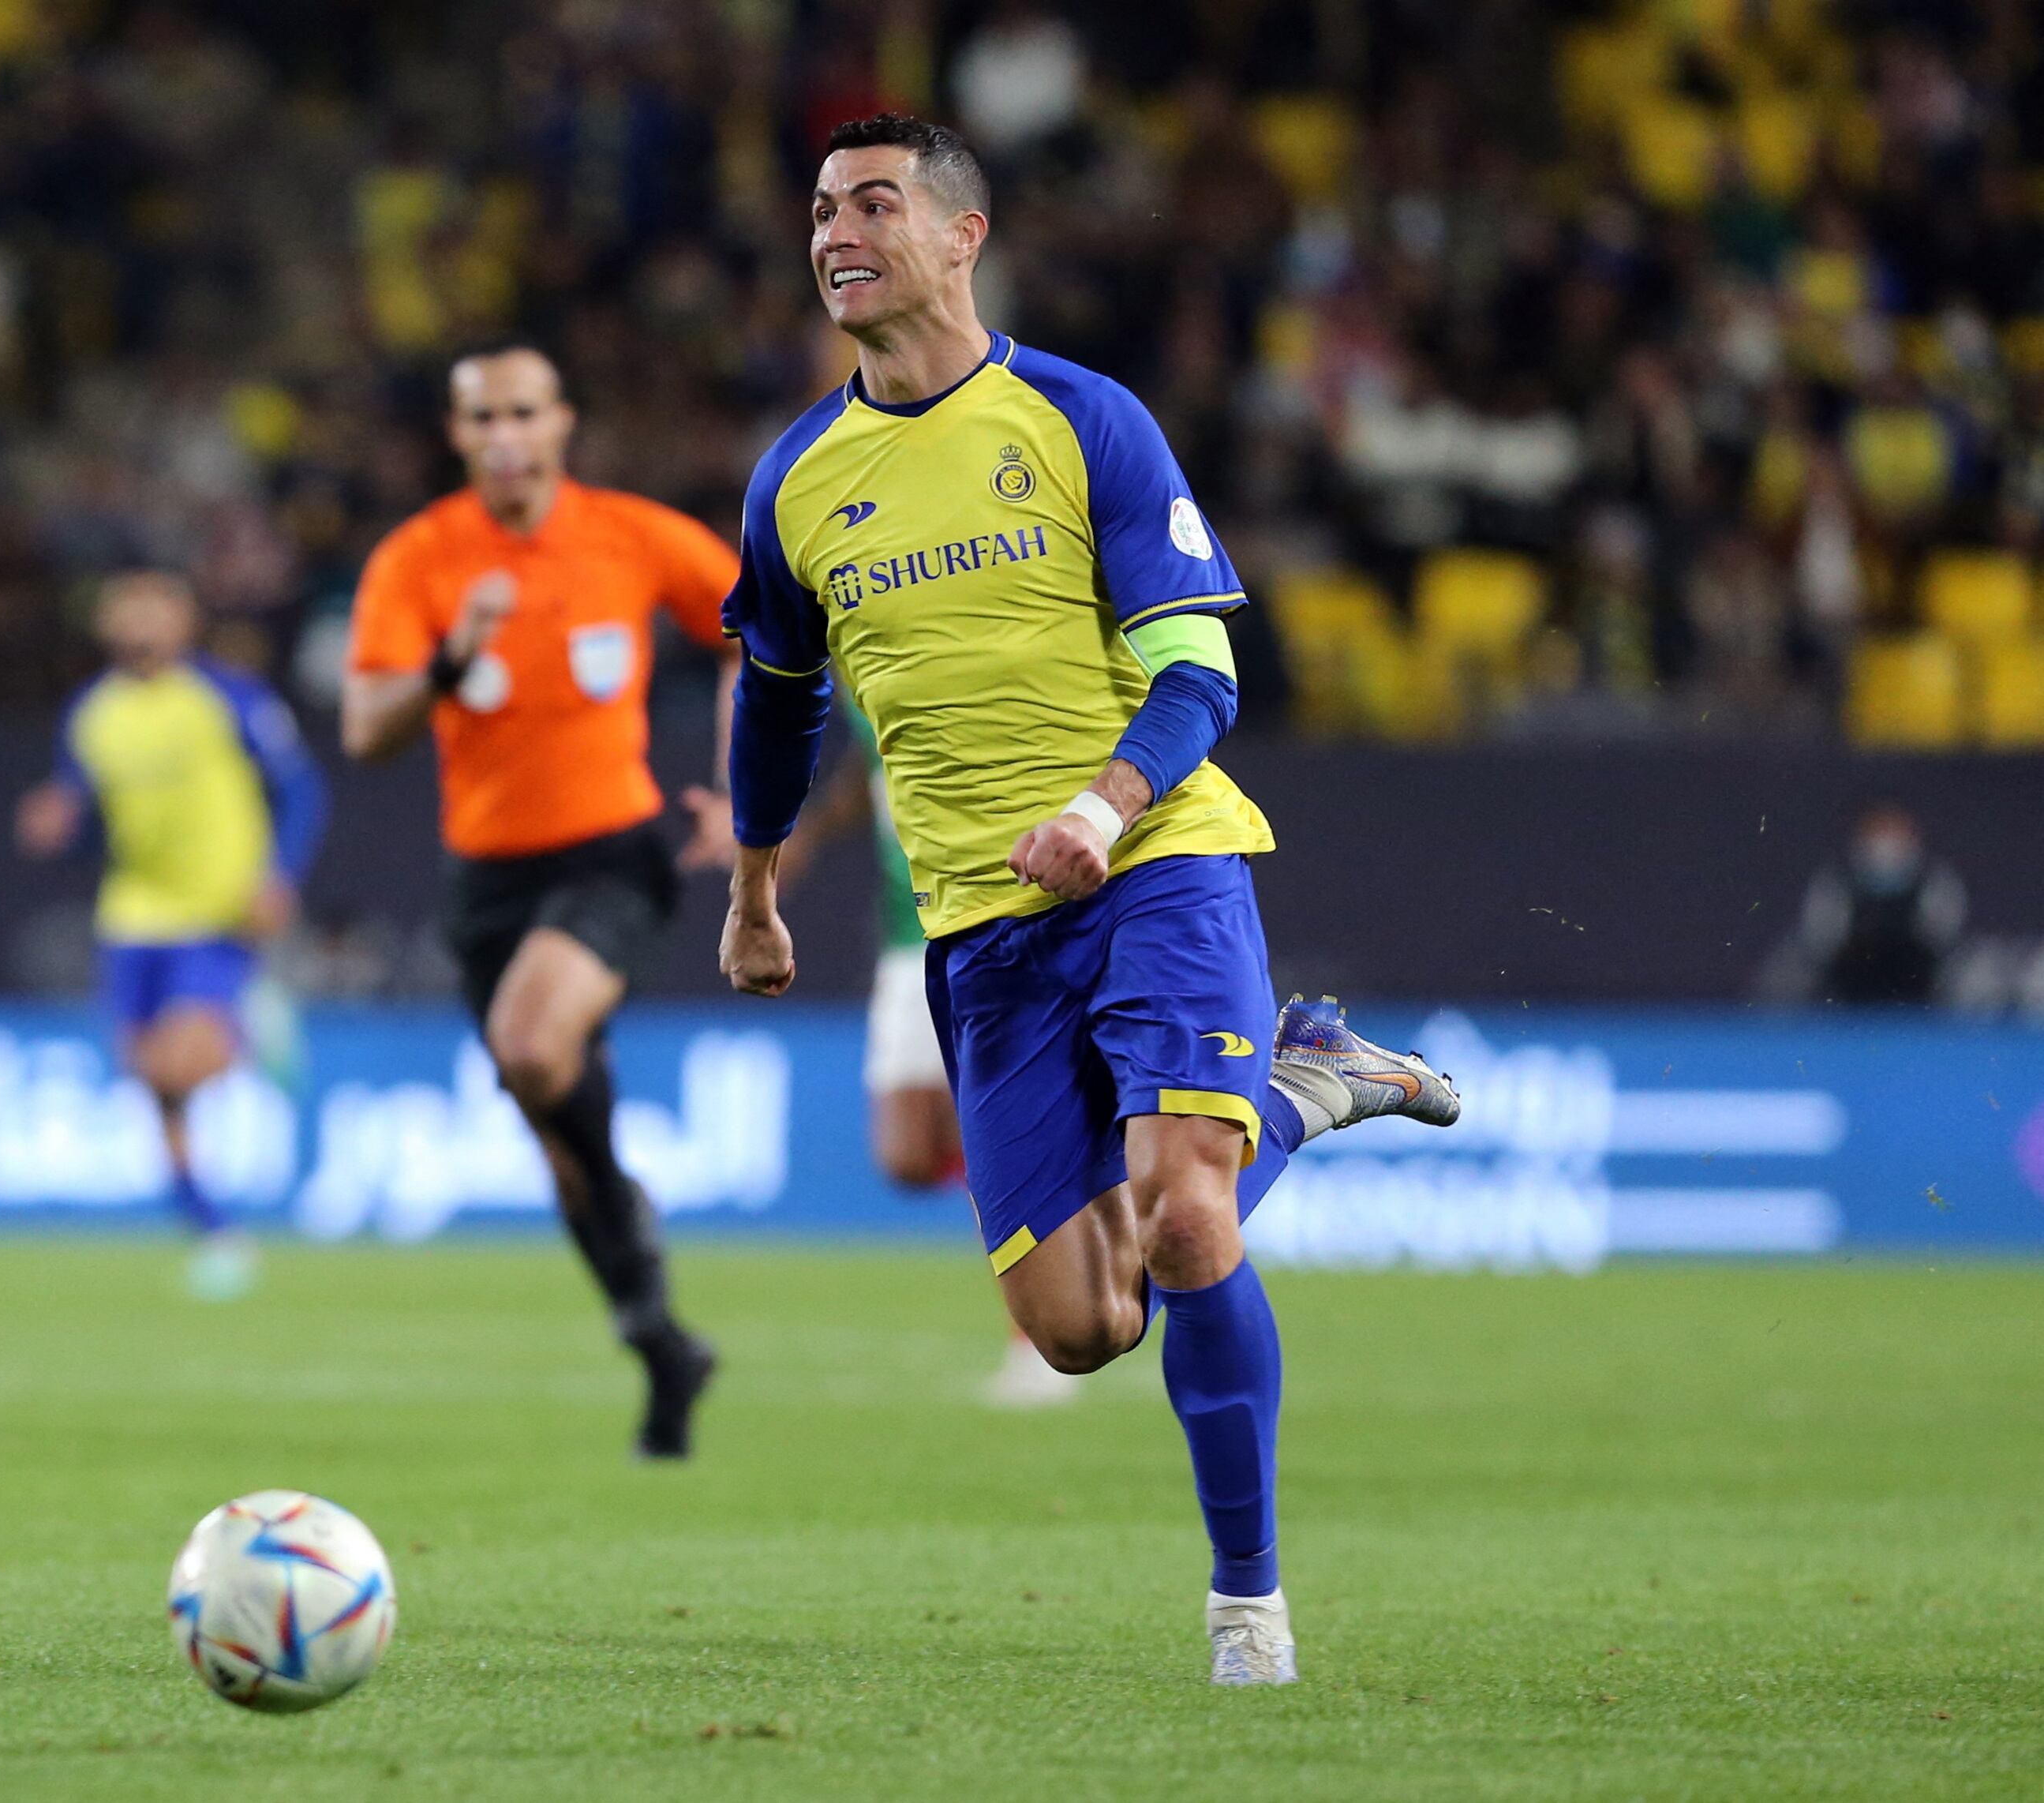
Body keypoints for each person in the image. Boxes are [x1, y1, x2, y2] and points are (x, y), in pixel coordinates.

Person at [717, 114, 1462, 1685]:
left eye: (869, 203)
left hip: (1154, 858)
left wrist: (1103, 800)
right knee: (1073, 1323)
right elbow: (775, 704)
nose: (833, 232)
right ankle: (1310, 1080)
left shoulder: (1080, 418)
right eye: (816, 211)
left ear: (959, 234)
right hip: (981, 927)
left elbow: (1201, 668)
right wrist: (755, 885)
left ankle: (1245, 1606)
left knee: (1188, 1213)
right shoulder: (794, 478)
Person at [340, 343, 740, 1460]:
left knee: (528, 1044)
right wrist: (446, 663)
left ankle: (628, 1233)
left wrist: (742, 787)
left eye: (524, 411)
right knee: (560, 1147)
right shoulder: (419, 560)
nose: (505, 435)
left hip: (611, 853)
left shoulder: (633, 534)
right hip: (486, 881)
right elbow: (365, 732)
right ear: (457, 435)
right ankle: (657, 1338)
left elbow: (757, 639)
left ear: (562, 421)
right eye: (482, 418)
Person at [732, 692, 1080, 1407]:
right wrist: (815, 830)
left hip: (982, 919)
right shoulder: (858, 663)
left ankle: (1037, 1340)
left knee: (987, 1142)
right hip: (904, 931)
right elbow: (875, 761)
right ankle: (1069, 1181)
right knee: (908, 1156)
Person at [17, 570, 328, 1300]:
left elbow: (302, 789)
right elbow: (95, 826)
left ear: (184, 622)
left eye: (155, 610)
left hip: (216, 907)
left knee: (184, 1064)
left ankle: (254, 1029)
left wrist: (277, 874)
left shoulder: (229, 697)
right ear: (104, 624)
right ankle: (218, 1234)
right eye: (126, 611)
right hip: (133, 914)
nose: (141, 625)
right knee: (153, 1085)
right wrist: (63, 825)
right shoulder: (91, 715)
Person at [1761, 803, 1967, 1006]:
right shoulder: (1837, 881)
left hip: (1919, 983)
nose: (1886, 848)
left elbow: (1943, 941)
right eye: (1879, 835)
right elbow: (1820, 943)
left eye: (1895, 838)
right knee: (1787, 969)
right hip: (1850, 983)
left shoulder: (1934, 881)